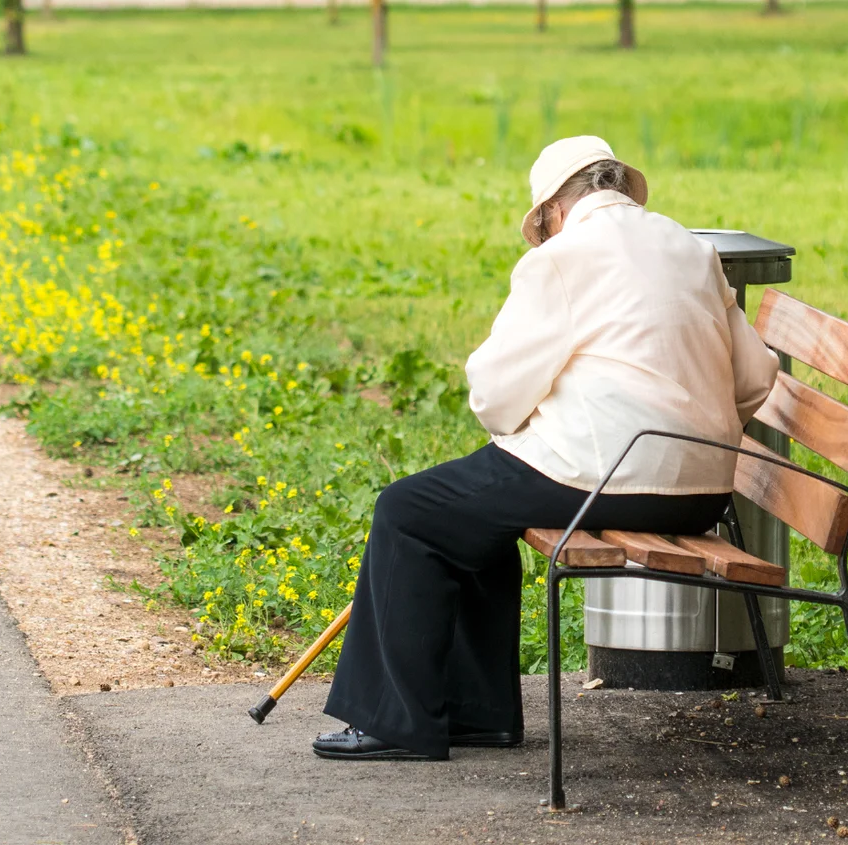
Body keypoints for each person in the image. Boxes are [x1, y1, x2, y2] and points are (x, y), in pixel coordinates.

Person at [313, 136, 780, 761]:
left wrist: (539, 414)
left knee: (409, 511)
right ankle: (480, 717)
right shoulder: (692, 250)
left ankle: (400, 723)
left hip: (599, 478)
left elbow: (494, 393)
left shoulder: (563, 258)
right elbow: (755, 379)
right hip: (700, 494)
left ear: (553, 212)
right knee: (471, 520)